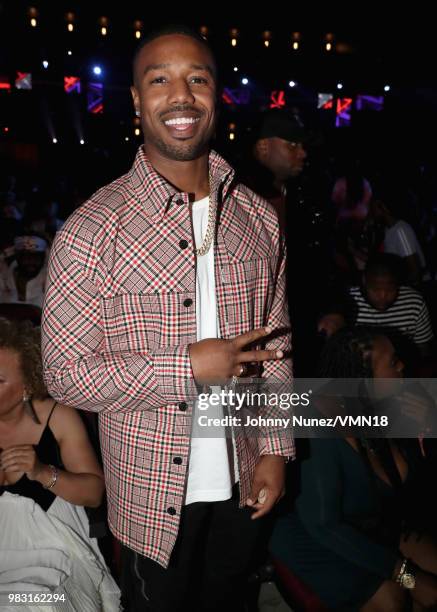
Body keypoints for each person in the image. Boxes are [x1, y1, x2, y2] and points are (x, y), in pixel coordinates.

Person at [42, 24, 294, 612]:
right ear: (136, 100)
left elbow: (277, 352)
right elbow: (64, 373)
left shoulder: (259, 220)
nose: (180, 95)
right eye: (159, 80)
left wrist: (278, 450)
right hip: (151, 496)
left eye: (197, 79)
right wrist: (186, 366)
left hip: (245, 471)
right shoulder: (89, 232)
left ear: (217, 95)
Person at [270, 326, 437, 611]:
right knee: (394, 600)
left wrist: (424, 428)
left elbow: (410, 490)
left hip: (372, 523)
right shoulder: (317, 423)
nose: (403, 366)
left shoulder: (385, 407)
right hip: (317, 538)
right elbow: (324, 524)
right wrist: (406, 573)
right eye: (393, 362)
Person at [0, 319, 120, 611]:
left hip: (57, 553)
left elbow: (94, 492)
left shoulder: (59, 417)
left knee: (31, 604)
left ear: (28, 383)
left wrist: (42, 472)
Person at [318, 254, 434, 359]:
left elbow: (423, 350)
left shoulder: (414, 302)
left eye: (390, 290)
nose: (383, 296)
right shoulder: (347, 302)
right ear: (364, 280)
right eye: (375, 290)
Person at [0, 234, 48, 309]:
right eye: (26, 257)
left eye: (36, 257)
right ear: (18, 258)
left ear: (43, 258)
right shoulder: (4, 278)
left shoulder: (51, 280)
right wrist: (4, 254)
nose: (31, 261)